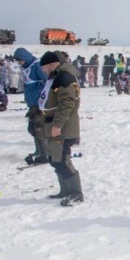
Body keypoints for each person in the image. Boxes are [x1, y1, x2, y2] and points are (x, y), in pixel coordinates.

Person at [39, 51, 84, 206]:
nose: (43, 70)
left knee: (63, 160)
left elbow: (67, 104)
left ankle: (75, 193)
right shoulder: (57, 76)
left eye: (44, 67)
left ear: (51, 64)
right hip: (53, 125)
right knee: (55, 160)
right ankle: (65, 190)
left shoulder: (65, 78)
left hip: (63, 127)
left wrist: (58, 125)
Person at [14, 47, 49, 165]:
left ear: (25, 58)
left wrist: (42, 96)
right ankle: (38, 150)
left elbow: (48, 81)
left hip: (39, 103)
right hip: (32, 103)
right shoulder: (26, 67)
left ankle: (45, 153)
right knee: (32, 129)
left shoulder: (37, 66)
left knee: (39, 129)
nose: (19, 63)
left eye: (20, 60)